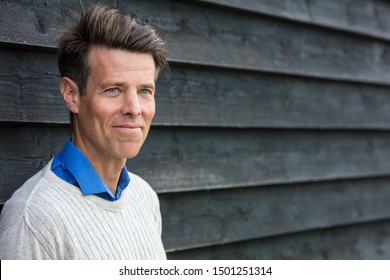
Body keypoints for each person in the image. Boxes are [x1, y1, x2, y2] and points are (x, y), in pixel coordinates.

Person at [0, 4, 169, 259]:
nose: (134, 109)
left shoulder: (143, 196)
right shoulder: (33, 218)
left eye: (145, 91)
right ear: (72, 95)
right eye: (114, 89)